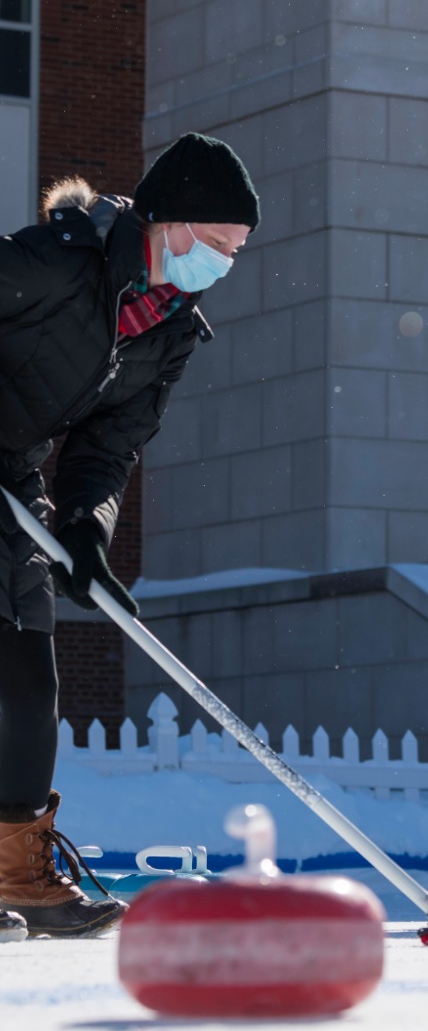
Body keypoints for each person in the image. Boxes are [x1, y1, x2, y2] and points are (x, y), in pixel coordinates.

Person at [0, 133, 259, 938]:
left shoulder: (171, 329)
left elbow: (110, 446)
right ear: (168, 224)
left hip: (14, 482)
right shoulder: (58, 261)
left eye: (237, 252)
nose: (222, 264)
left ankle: (17, 870)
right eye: (216, 244)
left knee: (26, 679)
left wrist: (85, 531)